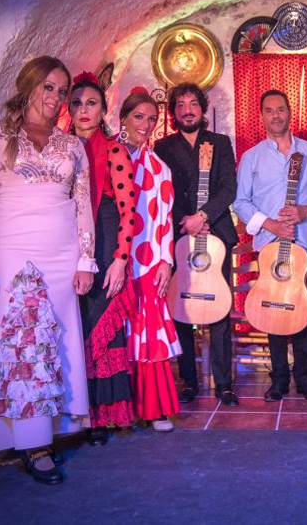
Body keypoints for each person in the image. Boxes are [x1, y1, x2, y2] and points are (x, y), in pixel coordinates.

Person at [0, 56, 96, 485]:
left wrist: (85, 260)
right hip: (15, 252)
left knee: (58, 339)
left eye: (62, 91)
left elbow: (83, 207)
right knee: (23, 344)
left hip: (63, 256)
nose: (56, 98)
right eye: (49, 87)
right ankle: (30, 443)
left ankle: (58, 430)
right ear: (28, 86)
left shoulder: (72, 145)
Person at [233, 90, 307, 402]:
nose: (276, 115)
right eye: (269, 111)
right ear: (261, 116)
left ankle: (306, 378)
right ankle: (278, 379)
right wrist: (270, 224)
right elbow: (241, 202)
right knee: (271, 312)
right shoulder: (251, 157)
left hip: (304, 248)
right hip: (268, 248)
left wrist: (305, 211)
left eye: (281, 109)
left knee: (304, 312)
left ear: (290, 112)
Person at [153, 82, 240, 407]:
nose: (187, 109)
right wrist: (186, 221)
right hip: (177, 237)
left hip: (216, 234)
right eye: (181, 105)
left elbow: (229, 188)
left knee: (220, 311)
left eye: (193, 103)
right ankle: (188, 381)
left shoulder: (220, 142)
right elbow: (161, 192)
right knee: (181, 309)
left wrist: (203, 216)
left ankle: (225, 384)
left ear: (202, 109)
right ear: (173, 111)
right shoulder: (162, 147)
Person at [68, 77, 138, 444]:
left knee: (100, 325)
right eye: (77, 102)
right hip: (66, 243)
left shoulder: (114, 150)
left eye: (92, 103)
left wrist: (120, 260)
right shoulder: (56, 149)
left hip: (106, 237)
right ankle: (76, 417)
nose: (84, 110)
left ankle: (104, 417)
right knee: (73, 326)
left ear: (103, 110)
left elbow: (130, 212)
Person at [120, 88, 183, 432]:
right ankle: (113, 411)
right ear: (123, 118)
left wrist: (166, 261)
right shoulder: (103, 154)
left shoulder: (160, 167)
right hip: (108, 259)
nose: (145, 125)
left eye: (151, 119)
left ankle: (154, 408)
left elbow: (166, 219)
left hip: (146, 259)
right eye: (138, 117)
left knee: (147, 331)